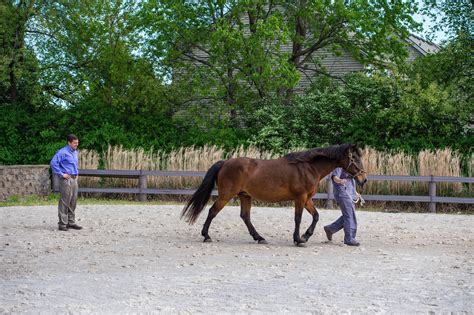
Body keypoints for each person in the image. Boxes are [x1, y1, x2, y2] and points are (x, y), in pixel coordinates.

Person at [50, 134, 83, 231]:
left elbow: (74, 164)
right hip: (66, 180)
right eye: (74, 143)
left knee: (73, 200)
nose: (76, 144)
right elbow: (53, 163)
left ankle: (71, 222)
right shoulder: (62, 152)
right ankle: (62, 224)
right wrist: (61, 174)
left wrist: (76, 173)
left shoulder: (75, 152)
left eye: (77, 143)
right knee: (65, 201)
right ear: (69, 142)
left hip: (74, 179)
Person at [324, 167, 362, 246]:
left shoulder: (348, 165)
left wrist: (355, 192)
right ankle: (349, 239)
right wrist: (340, 181)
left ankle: (330, 229)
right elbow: (334, 177)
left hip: (349, 193)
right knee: (349, 215)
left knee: (349, 214)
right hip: (342, 192)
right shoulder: (339, 166)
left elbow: (350, 181)